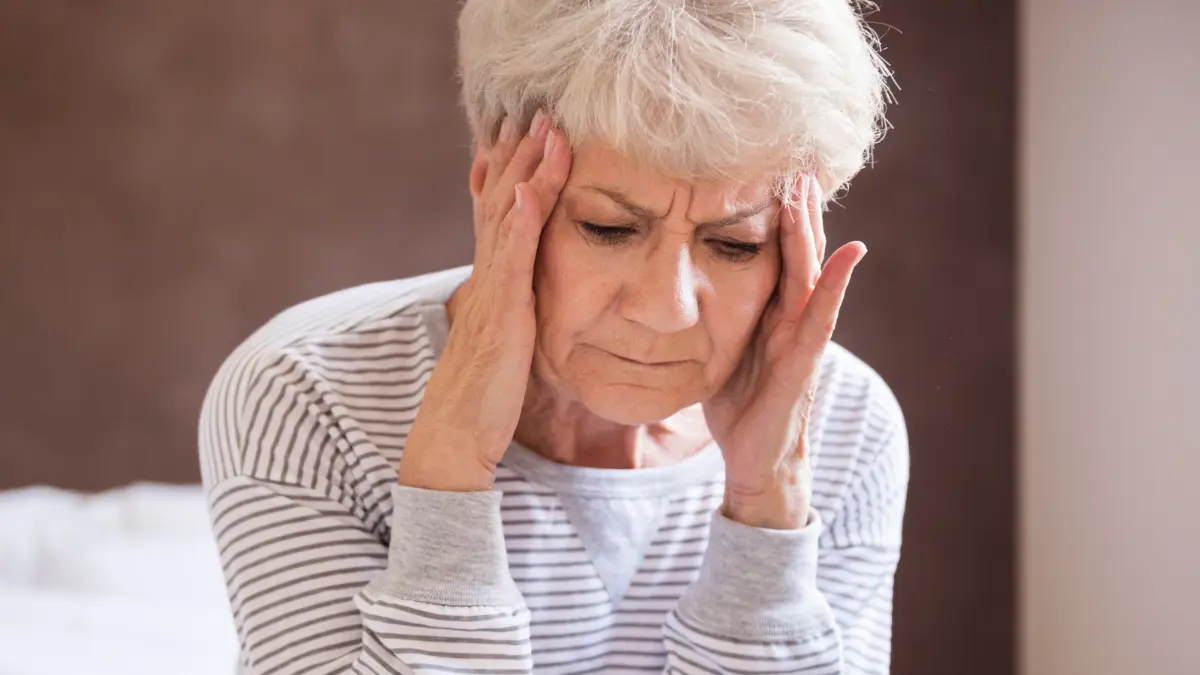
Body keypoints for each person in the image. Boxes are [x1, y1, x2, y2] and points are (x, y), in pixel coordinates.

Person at [198, 0, 908, 673]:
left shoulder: (848, 427)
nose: (667, 309)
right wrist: (449, 466)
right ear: (493, 184)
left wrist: (766, 504)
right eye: (609, 227)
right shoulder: (308, 394)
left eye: (734, 243)